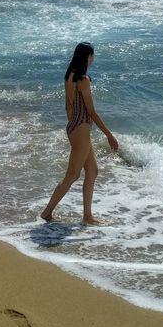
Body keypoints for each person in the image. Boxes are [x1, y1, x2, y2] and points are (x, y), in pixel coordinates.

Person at [40, 42, 118, 225]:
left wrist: (72, 126)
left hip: (74, 125)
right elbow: (91, 112)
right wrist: (109, 135)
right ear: (88, 57)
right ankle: (47, 212)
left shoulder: (69, 76)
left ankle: (87, 216)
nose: (93, 59)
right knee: (72, 175)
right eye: (93, 55)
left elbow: (68, 105)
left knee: (92, 171)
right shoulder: (83, 79)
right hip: (81, 126)